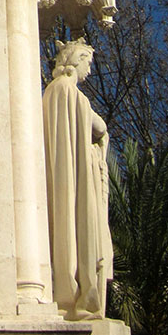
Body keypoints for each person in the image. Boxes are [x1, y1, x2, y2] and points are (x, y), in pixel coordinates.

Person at [42, 39, 113, 320]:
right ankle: (76, 294)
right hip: (74, 183)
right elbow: (99, 127)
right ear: (75, 60)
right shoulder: (67, 93)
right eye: (87, 63)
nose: (90, 71)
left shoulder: (58, 92)